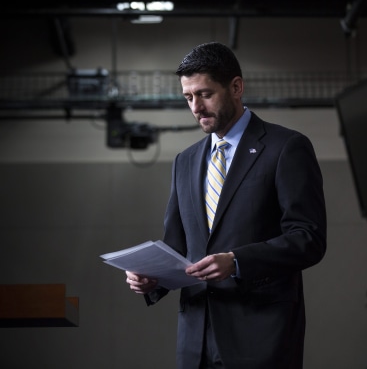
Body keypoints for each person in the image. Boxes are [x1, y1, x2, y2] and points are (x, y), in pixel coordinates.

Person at [125, 42, 327, 369]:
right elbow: (178, 246)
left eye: (204, 94)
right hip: (196, 340)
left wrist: (236, 261)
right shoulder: (184, 162)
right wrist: (153, 278)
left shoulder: (286, 147)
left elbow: (309, 238)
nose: (196, 107)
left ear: (236, 87)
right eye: (188, 97)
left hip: (261, 336)